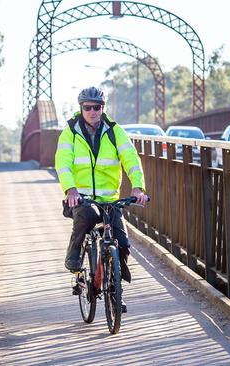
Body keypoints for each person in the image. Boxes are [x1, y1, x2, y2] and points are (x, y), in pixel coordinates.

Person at [54, 86, 148, 311]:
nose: (93, 111)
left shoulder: (115, 131)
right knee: (87, 216)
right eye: (88, 107)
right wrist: (71, 190)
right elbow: (63, 162)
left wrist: (138, 187)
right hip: (82, 197)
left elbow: (131, 159)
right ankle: (74, 254)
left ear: (103, 108)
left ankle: (116, 291)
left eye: (97, 107)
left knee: (123, 244)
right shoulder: (70, 131)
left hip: (110, 198)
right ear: (81, 108)